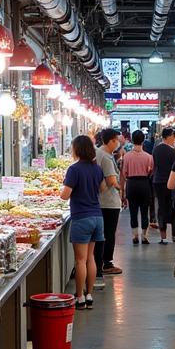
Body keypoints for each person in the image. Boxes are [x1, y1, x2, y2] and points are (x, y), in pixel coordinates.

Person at [60, 134, 105, 310]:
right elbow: (101, 188)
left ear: (77, 149)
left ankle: (79, 297)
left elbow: (65, 195)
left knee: (80, 260)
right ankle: (89, 294)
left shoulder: (74, 169)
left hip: (81, 217)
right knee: (90, 258)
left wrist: (62, 191)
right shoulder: (97, 169)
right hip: (97, 217)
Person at [95, 128, 123, 280]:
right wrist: (121, 188)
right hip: (108, 201)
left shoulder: (100, 153)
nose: (118, 143)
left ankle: (101, 262)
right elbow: (112, 180)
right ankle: (107, 263)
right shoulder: (105, 157)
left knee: (104, 233)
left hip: (101, 200)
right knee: (109, 233)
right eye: (117, 140)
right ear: (111, 141)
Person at [120, 129, 154, 244]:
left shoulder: (127, 157)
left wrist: (123, 191)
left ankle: (135, 236)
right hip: (144, 184)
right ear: (143, 141)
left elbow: (124, 173)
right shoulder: (149, 157)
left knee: (133, 211)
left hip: (132, 184)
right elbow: (151, 172)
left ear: (132, 140)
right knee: (145, 211)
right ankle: (144, 236)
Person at [152, 127, 175, 243]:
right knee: (173, 206)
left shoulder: (156, 149)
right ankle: (174, 235)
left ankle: (163, 237)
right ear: (169, 137)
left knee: (161, 207)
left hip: (158, 181)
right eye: (173, 136)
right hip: (170, 182)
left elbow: (154, 165)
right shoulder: (172, 151)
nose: (174, 139)